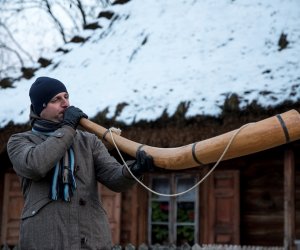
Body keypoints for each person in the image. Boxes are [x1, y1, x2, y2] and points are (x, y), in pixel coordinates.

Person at [7, 76, 155, 250]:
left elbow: (113, 177)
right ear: (41, 107)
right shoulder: (19, 141)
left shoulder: (88, 141)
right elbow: (35, 165)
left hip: (92, 239)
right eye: (56, 99)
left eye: (66, 97)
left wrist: (133, 170)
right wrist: (68, 128)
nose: (66, 104)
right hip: (43, 240)